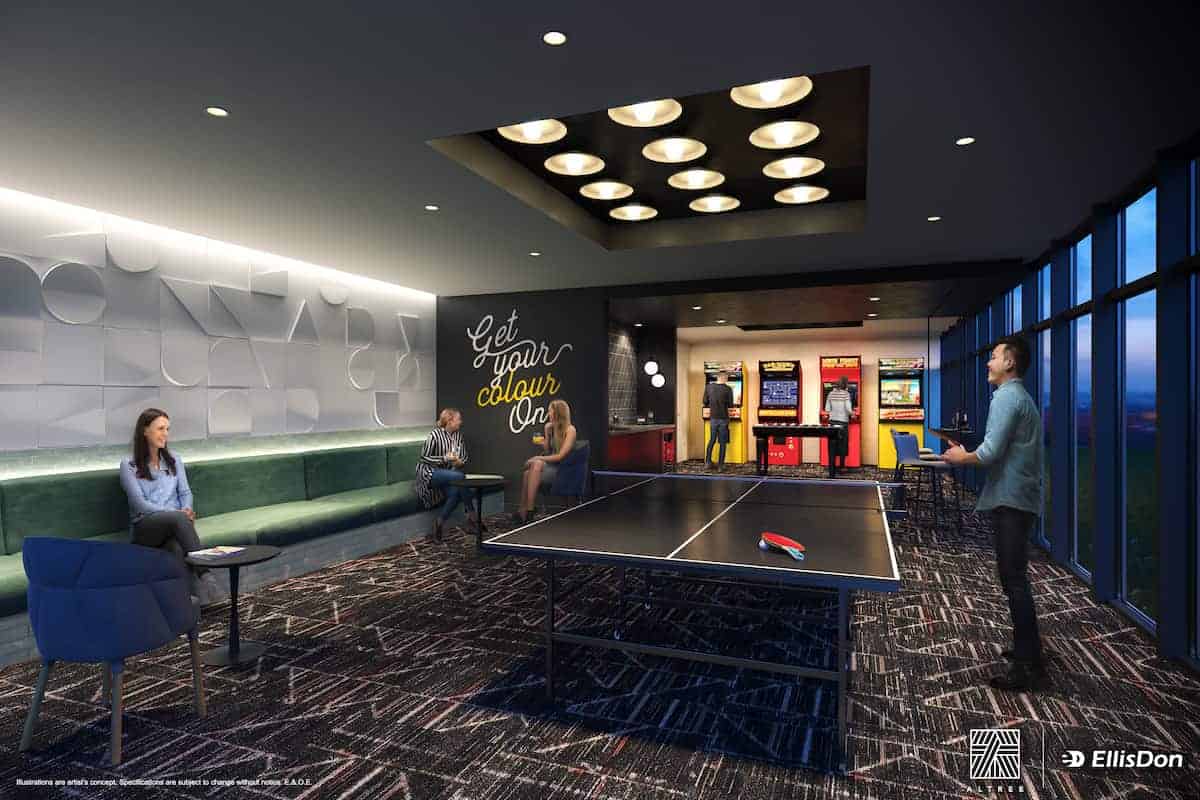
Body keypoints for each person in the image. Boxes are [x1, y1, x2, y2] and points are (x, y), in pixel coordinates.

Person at [942, 335, 1046, 691]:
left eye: (994, 356)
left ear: (1010, 363)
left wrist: (961, 457)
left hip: (1012, 500)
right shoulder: (1019, 397)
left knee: (1013, 580)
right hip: (1019, 497)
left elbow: (989, 454)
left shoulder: (1006, 397)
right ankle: (1027, 649)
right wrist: (968, 453)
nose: (988, 362)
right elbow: (999, 449)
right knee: (1014, 577)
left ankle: (1028, 667)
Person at [118, 408, 221, 604]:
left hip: (175, 526)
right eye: (160, 428)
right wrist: (178, 514)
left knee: (175, 547)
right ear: (145, 431)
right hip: (145, 528)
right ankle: (205, 573)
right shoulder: (128, 465)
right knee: (177, 519)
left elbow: (185, 493)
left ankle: (186, 602)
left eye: (167, 429)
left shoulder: (174, 460)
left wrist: (187, 509)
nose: (165, 434)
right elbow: (140, 505)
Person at [414, 408, 476, 542]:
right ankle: (472, 517)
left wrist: (459, 461)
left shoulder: (458, 436)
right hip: (429, 473)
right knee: (460, 477)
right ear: (449, 421)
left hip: (448, 474)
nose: (461, 422)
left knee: (456, 492)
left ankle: (439, 523)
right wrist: (445, 459)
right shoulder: (434, 435)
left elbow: (463, 457)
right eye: (458, 419)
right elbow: (424, 458)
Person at [514, 398, 577, 524]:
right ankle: (524, 509)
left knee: (536, 463)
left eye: (550, 411)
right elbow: (548, 451)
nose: (548, 414)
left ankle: (529, 510)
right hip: (551, 466)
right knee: (527, 473)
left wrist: (536, 458)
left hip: (563, 468)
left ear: (558, 412)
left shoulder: (570, 430)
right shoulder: (550, 427)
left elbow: (560, 456)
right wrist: (545, 437)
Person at [703, 372, 734, 471]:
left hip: (713, 418)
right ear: (725, 378)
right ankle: (720, 466)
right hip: (723, 418)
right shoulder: (728, 389)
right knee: (722, 442)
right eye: (727, 378)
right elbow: (731, 405)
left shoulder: (708, 387)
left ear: (717, 378)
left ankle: (708, 463)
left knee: (712, 440)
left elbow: (705, 401)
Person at [824, 376, 854, 470]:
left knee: (832, 445)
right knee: (842, 444)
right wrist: (853, 414)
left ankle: (831, 466)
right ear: (845, 385)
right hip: (843, 422)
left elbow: (827, 409)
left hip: (832, 422)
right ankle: (842, 466)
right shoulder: (846, 394)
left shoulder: (830, 394)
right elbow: (848, 409)